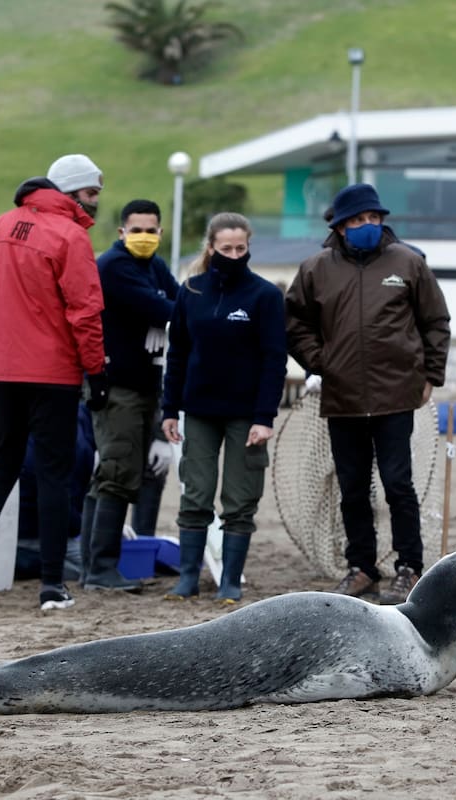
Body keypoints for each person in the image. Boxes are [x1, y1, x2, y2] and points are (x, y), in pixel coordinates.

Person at [0, 154, 109, 613]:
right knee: (55, 477)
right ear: (71, 191)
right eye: (92, 193)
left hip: (2, 372)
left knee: (0, 468)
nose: (96, 203)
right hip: (53, 375)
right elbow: (85, 311)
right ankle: (53, 585)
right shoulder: (70, 236)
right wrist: (95, 371)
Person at [286, 183, 451, 605]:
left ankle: (409, 567)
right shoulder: (315, 269)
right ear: (340, 226)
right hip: (342, 396)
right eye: (358, 220)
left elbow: (435, 321)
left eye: (374, 219)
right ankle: (362, 569)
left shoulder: (409, 264)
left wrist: (431, 372)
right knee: (352, 487)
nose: (367, 226)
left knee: (398, 484)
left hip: (397, 393)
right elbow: (294, 322)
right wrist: (318, 360)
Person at [161, 212, 287, 604]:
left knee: (240, 498)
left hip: (246, 415)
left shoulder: (265, 296)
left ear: (248, 247)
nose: (234, 255)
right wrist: (169, 408)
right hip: (198, 411)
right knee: (195, 494)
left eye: (241, 248)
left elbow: (274, 359)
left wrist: (264, 418)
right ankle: (186, 579)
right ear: (211, 248)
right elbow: (177, 353)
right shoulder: (191, 292)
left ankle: (230, 581)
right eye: (226, 248)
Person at [80, 199, 180, 592]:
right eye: (136, 229)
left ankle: (94, 565)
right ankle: (100, 567)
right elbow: (163, 307)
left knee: (115, 475)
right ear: (121, 232)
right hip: (118, 386)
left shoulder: (154, 265)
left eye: (151, 230)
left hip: (145, 387)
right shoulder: (114, 267)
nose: (144, 236)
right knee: (117, 474)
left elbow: (177, 300)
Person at [14, 403, 94, 582]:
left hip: (16, 526)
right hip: (36, 532)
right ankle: (26, 563)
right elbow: (69, 517)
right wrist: (97, 527)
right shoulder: (76, 440)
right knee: (90, 568)